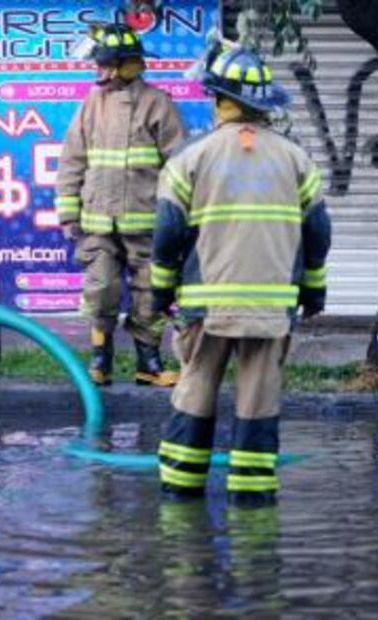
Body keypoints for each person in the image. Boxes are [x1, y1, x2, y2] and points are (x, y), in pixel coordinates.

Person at [151, 42, 331, 506]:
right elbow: (318, 231)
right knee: (259, 394)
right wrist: (313, 290)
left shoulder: (190, 158)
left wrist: (158, 292)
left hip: (206, 305)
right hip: (271, 306)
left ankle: (181, 490)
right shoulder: (296, 159)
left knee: (196, 384)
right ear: (264, 103)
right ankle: (251, 501)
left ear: (216, 99)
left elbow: (168, 233)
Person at [55, 22, 187, 387]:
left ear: (124, 65)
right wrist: (68, 213)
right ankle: (101, 359)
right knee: (101, 289)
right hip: (98, 222)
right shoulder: (91, 104)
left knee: (150, 291)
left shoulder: (158, 104)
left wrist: (175, 220)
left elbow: (180, 168)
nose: (98, 72)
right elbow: (72, 161)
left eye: (104, 65)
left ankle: (149, 362)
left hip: (146, 223)